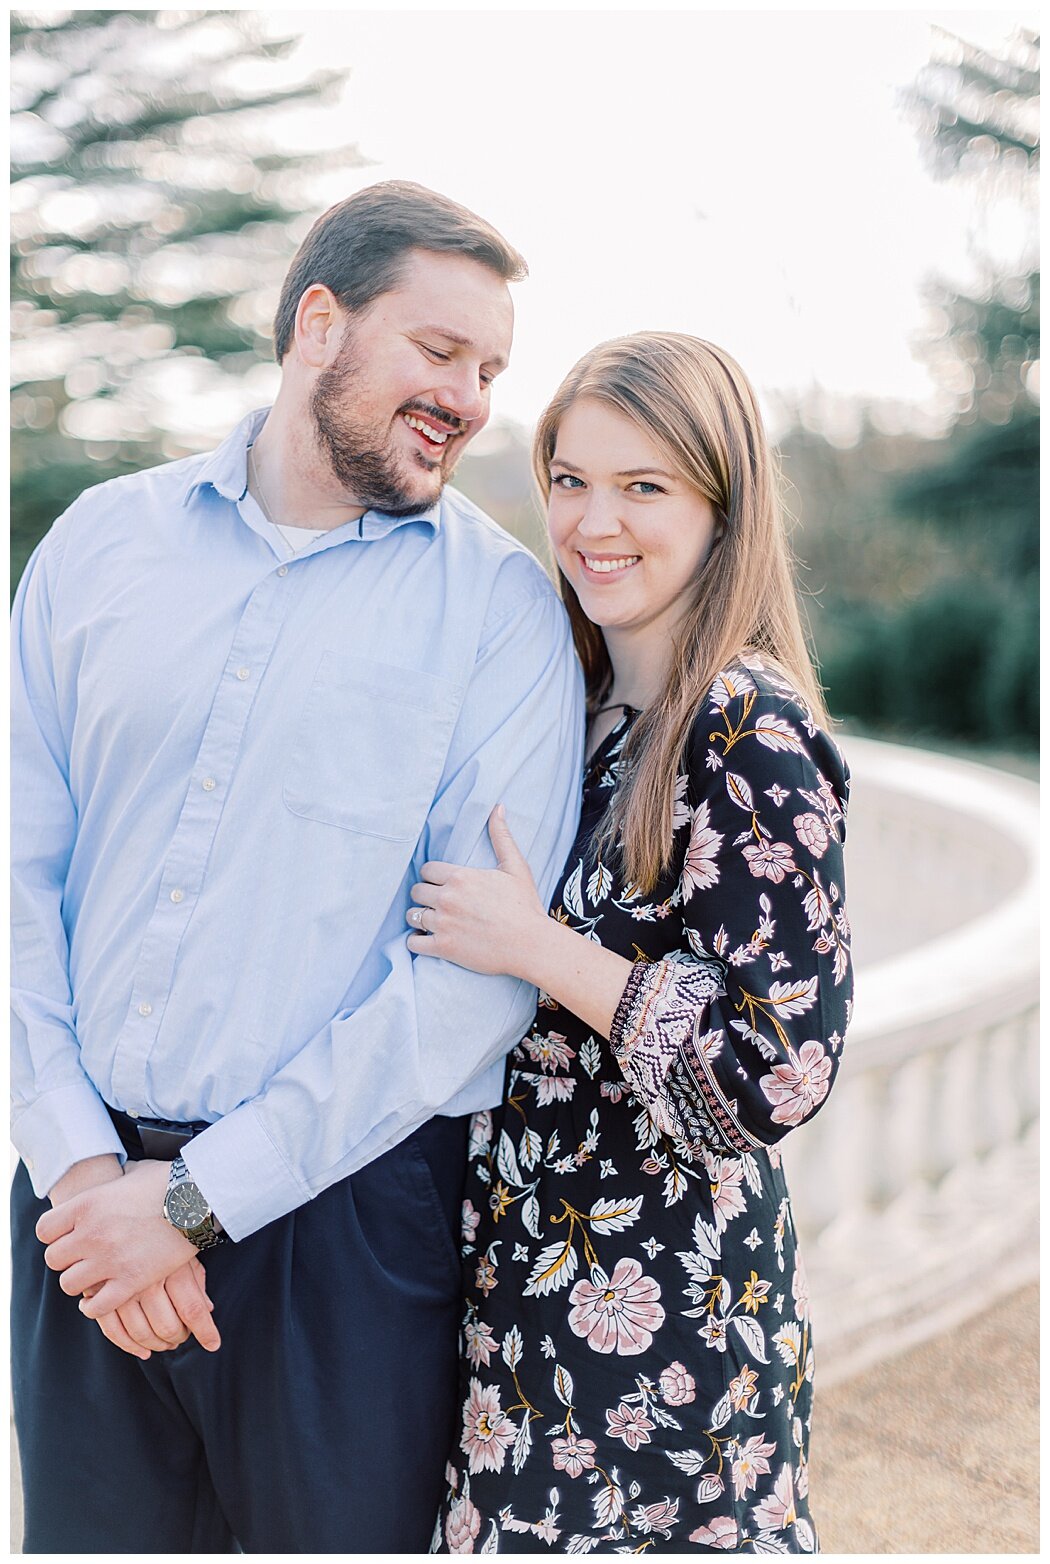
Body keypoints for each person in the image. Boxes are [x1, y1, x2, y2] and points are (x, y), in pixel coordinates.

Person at [11, 181, 584, 1553]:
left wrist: (198, 1205)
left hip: (344, 1228)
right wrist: (83, 1172)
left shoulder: (500, 613)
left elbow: (471, 983)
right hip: (79, 1222)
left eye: (491, 371)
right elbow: (17, 873)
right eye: (439, 351)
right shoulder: (101, 544)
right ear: (317, 322)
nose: (470, 398)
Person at [410, 334, 853, 1553]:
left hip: (667, 1333)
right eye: (569, 479)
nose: (594, 520)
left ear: (723, 503)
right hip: (525, 1299)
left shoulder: (747, 727)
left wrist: (537, 947)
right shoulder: (580, 704)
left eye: (643, 486)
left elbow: (776, 1075)